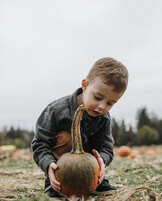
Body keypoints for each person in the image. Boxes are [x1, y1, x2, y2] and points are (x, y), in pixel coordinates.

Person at [32, 57, 128, 198]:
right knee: (67, 137)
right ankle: (55, 182)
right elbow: (40, 144)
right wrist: (48, 166)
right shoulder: (56, 111)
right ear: (85, 85)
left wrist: (102, 160)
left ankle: (95, 181)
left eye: (110, 103)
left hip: (88, 167)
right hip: (60, 166)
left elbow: (106, 146)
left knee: (105, 142)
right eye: (97, 97)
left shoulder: (103, 117)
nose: (102, 106)